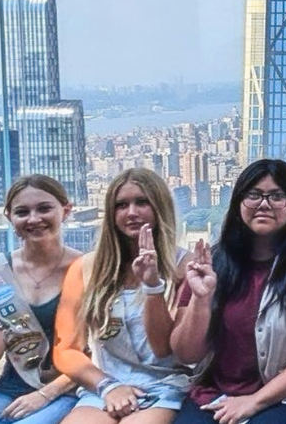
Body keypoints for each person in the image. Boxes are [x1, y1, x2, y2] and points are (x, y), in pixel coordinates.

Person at [170, 160, 286, 424]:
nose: (264, 204)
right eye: (254, 195)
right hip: (215, 393)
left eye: (277, 196)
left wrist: (255, 401)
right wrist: (201, 299)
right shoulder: (212, 262)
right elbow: (186, 354)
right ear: (238, 203)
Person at [54, 168, 191, 424]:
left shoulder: (183, 266)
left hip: (164, 385)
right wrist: (107, 386)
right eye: (121, 205)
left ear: (159, 206)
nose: (131, 212)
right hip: (105, 384)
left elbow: (163, 348)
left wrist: (152, 286)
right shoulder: (86, 269)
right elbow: (66, 349)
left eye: (142, 202)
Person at [0, 175, 87, 424]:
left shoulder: (87, 269)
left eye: (44, 208)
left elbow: (101, 353)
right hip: (11, 388)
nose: (34, 219)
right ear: (10, 218)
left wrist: (44, 394)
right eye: (22, 212)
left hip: (71, 388)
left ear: (66, 210)